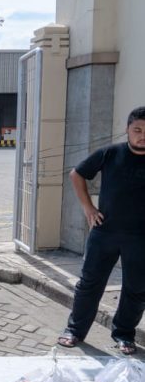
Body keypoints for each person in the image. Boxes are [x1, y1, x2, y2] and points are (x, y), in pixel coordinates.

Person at [57, 106, 145, 355]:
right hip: (104, 232)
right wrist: (88, 208)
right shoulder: (110, 153)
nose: (142, 136)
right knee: (89, 284)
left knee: (137, 289)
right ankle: (75, 331)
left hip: (140, 237)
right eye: (137, 130)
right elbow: (77, 174)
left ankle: (124, 335)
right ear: (127, 129)